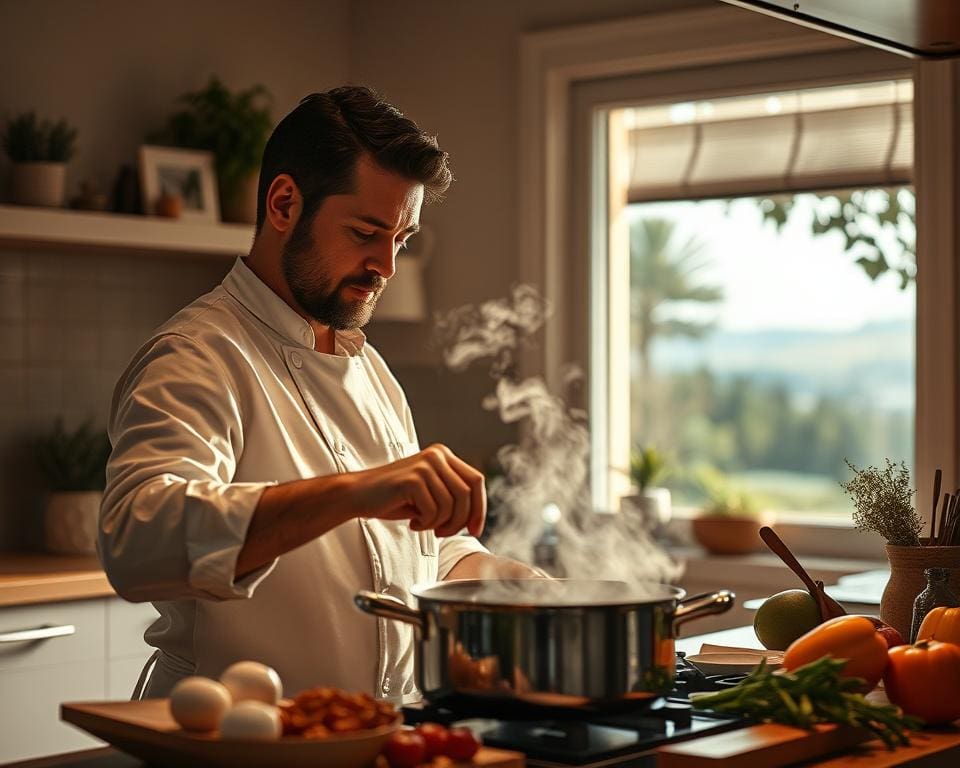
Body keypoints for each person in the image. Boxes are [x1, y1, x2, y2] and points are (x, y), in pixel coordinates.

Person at [99, 86, 541, 703]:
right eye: (365, 232)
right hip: (224, 735)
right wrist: (358, 491)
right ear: (284, 204)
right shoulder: (196, 354)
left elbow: (418, 550)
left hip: (370, 734)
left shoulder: (371, 371)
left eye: (402, 238)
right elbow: (140, 540)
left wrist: (512, 586)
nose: (386, 265)